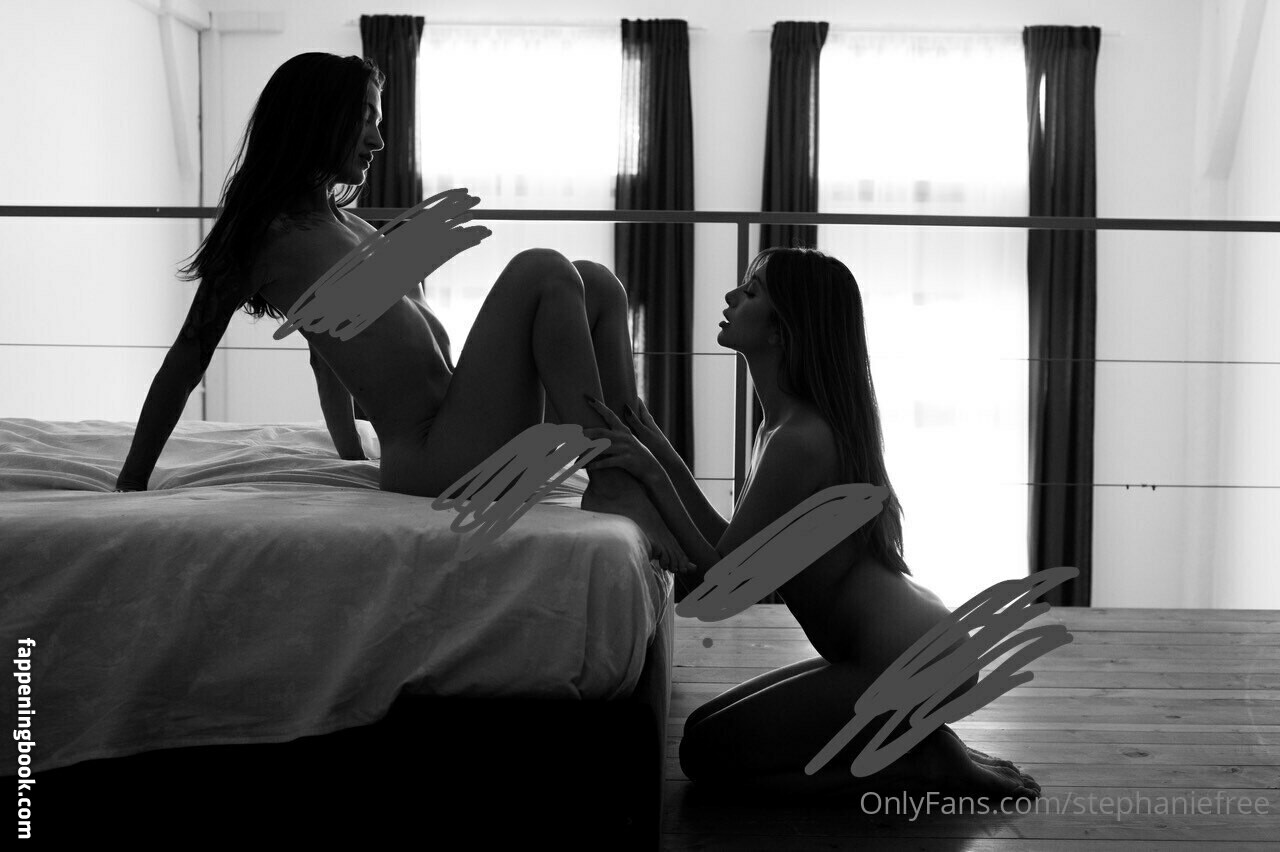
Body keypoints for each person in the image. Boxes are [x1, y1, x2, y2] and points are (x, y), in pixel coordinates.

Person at [114, 52, 689, 573]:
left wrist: (348, 456)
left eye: (378, 121)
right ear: (317, 119)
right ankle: (612, 481)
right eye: (365, 119)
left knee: (598, 284)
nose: (378, 140)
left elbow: (326, 359)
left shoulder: (355, 229)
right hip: (433, 458)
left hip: (462, 431)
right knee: (543, 269)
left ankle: (649, 477)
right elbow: (185, 362)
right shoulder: (268, 237)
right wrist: (131, 481)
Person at [581, 247, 1042, 801]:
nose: (731, 297)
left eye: (751, 292)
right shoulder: (782, 428)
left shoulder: (800, 439)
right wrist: (653, 443)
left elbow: (722, 581)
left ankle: (923, 761)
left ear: (781, 331)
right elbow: (731, 548)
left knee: (704, 757)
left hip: (914, 661)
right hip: (900, 651)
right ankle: (907, 739)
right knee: (703, 732)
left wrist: (652, 475)